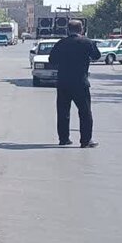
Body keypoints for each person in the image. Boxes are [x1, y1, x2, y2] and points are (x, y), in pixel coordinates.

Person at [47, 20, 101, 148]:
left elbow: (52, 59)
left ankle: (64, 138)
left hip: (63, 82)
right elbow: (97, 56)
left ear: (68, 30)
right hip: (80, 82)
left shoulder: (61, 43)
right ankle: (85, 140)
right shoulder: (87, 42)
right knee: (85, 112)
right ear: (81, 29)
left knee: (63, 111)